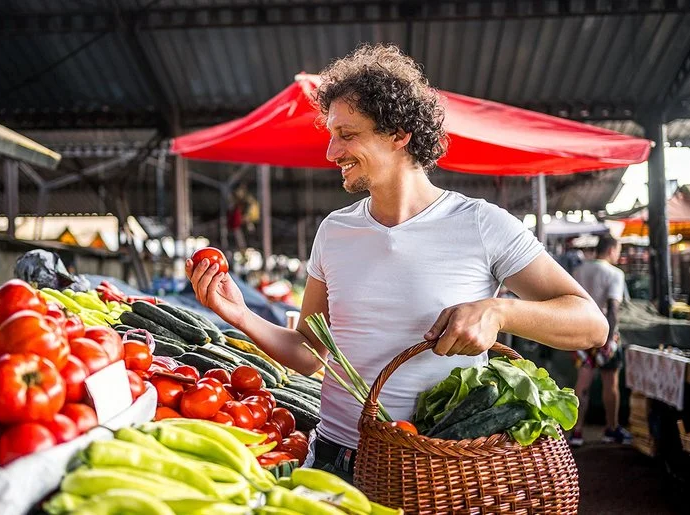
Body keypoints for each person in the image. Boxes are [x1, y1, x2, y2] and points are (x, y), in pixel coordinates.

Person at [185, 43, 608, 482]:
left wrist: (499, 311)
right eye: (331, 135)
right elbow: (312, 354)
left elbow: (591, 325)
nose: (331, 153)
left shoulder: (481, 224)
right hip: (336, 460)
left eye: (347, 134)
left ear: (399, 133)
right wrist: (236, 312)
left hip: (435, 468)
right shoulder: (334, 231)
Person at [568, 235, 632, 446]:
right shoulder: (615, 274)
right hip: (605, 335)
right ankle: (611, 429)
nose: (618, 254)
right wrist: (608, 340)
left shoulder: (578, 271)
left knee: (582, 383)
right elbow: (613, 309)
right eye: (619, 250)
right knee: (610, 384)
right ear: (611, 249)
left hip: (582, 334)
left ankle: (576, 432)